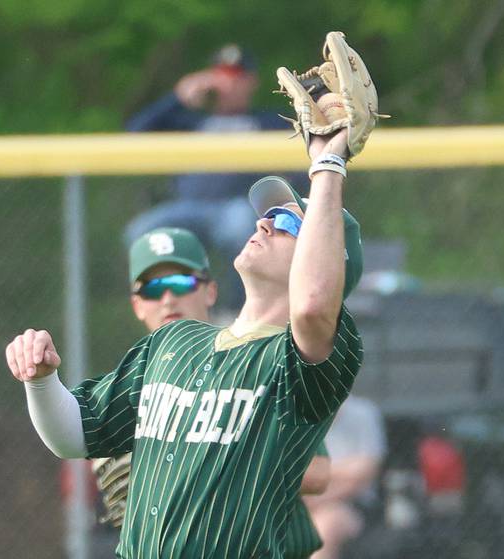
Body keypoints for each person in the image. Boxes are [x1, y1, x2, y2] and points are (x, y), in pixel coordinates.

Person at [5, 127, 364, 558]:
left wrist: (328, 165)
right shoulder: (174, 341)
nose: (263, 223)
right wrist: (42, 380)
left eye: (286, 221)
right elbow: (74, 434)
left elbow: (311, 308)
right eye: (267, 215)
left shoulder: (299, 363)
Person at [94, 226, 332, 558]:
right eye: (153, 288)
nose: (168, 299)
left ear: (209, 291)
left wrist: (212, 461)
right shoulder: (127, 391)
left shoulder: (257, 362)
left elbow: (319, 472)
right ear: (137, 305)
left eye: (181, 282)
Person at [124, 44, 298, 311]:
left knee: (243, 227)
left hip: (237, 205)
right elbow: (134, 131)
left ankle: (239, 312)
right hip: (188, 206)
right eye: (221, 74)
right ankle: (165, 308)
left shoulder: (266, 121)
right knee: (142, 231)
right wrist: (178, 98)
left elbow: (301, 145)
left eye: (236, 76)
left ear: (250, 82)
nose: (228, 83)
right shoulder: (190, 121)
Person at [303, 395, 387, 559]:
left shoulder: (364, 413)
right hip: (295, 504)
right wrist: (343, 469)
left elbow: (363, 472)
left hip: (351, 505)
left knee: (323, 529)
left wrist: (313, 472)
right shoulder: (287, 413)